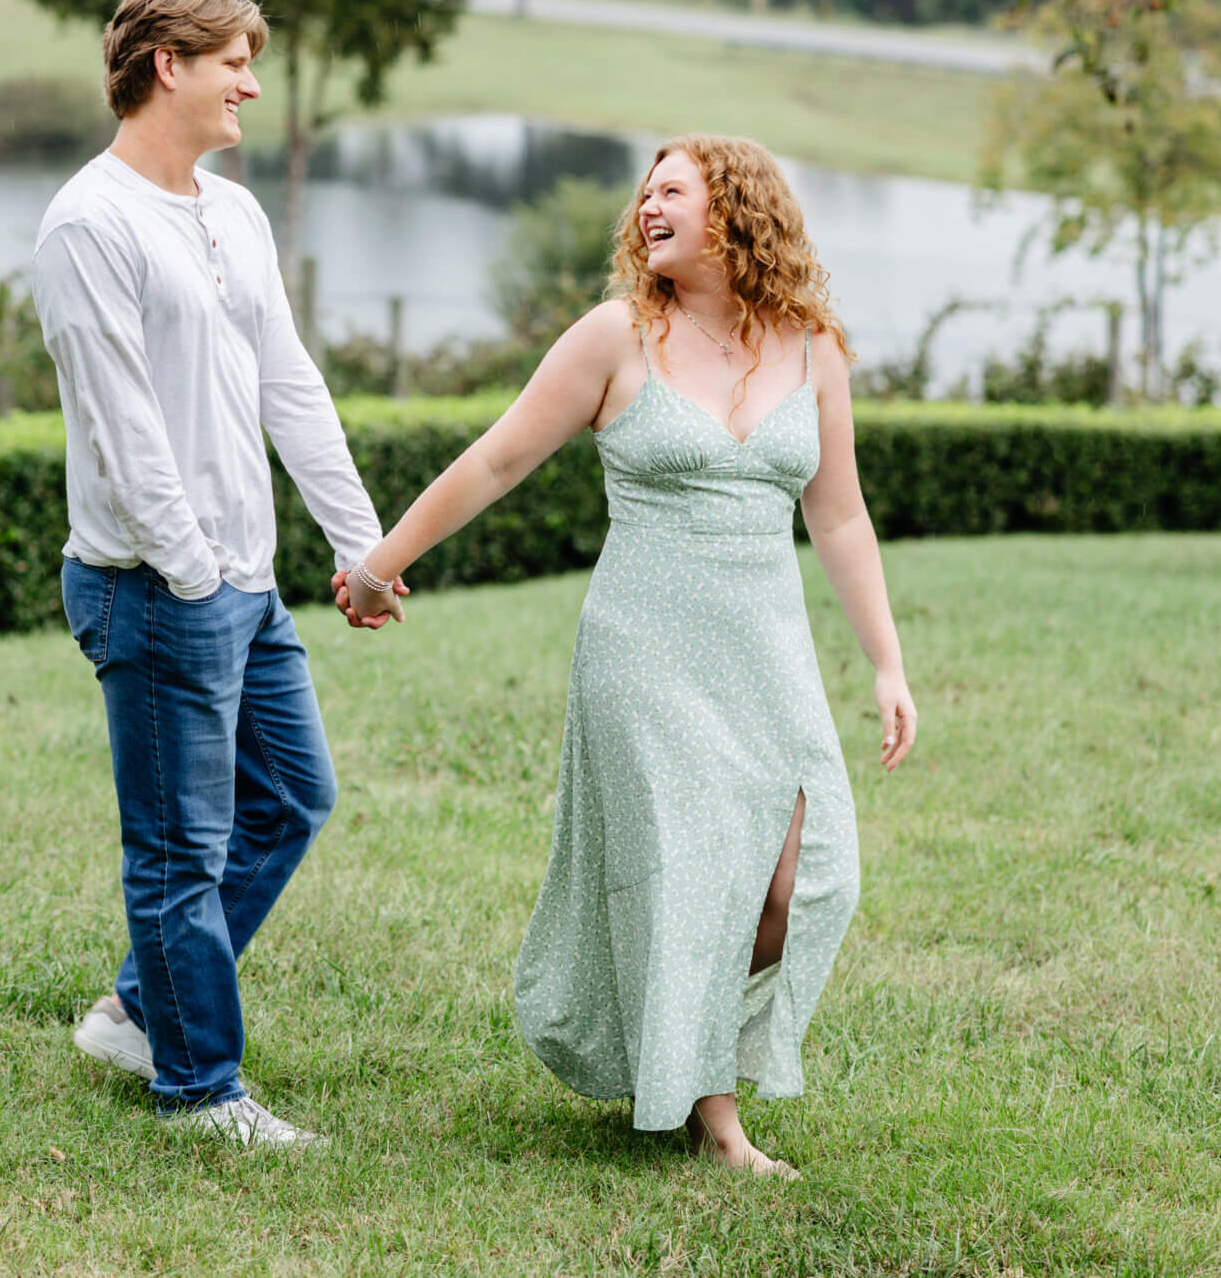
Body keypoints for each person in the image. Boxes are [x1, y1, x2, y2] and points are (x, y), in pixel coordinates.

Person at [337, 135, 918, 1178]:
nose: (649, 207)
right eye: (643, 193)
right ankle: (716, 1115)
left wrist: (886, 664)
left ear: (736, 211)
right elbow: (500, 453)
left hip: (765, 650)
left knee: (807, 879)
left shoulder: (810, 345)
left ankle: (668, 1038)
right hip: (641, 648)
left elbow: (839, 517)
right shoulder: (615, 337)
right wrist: (379, 565)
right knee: (696, 873)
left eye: (674, 192)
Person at [33, 0, 397, 1152]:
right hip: (158, 587)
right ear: (163, 65)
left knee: (293, 795)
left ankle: (142, 1010)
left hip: (247, 583)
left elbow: (288, 384)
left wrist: (361, 542)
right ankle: (199, 1088)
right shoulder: (88, 224)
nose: (250, 80)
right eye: (233, 58)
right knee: (179, 847)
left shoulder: (233, 211)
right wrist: (192, 575)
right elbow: (122, 428)